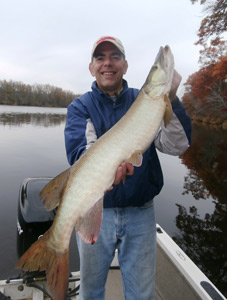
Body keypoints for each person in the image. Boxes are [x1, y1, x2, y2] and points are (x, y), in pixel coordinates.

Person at [64, 36, 191, 300]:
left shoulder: (145, 101)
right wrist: (109, 170)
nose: (107, 63)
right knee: (91, 293)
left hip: (141, 215)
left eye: (115, 57)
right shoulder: (81, 107)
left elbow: (176, 145)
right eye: (100, 58)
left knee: (141, 295)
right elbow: (81, 154)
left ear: (126, 65)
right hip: (98, 209)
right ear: (91, 67)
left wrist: (173, 99)